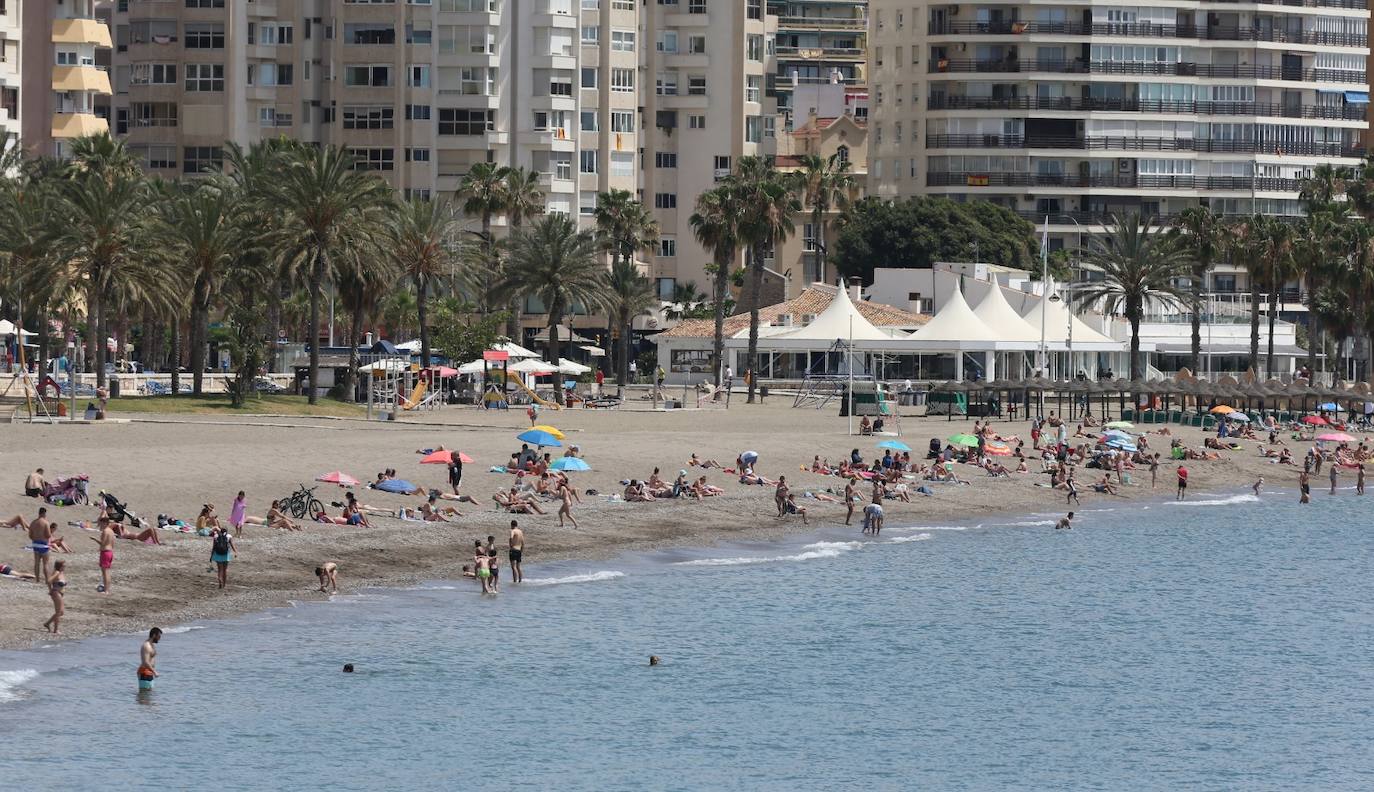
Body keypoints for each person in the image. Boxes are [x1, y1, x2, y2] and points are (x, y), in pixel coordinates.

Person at [93, 516, 117, 593]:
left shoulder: (105, 531)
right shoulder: (111, 531)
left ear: (104, 523)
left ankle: (106, 590)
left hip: (105, 553)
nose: (100, 525)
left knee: (105, 572)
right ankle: (107, 589)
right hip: (110, 552)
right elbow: (113, 544)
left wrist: (94, 539)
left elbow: (103, 543)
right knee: (107, 571)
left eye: (101, 523)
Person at [43, 560, 66, 633]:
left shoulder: (62, 573)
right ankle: (56, 630)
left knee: (61, 612)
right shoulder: (57, 572)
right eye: (64, 565)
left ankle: (47, 623)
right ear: (60, 566)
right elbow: (49, 581)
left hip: (60, 593)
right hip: (56, 593)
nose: (65, 566)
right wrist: (50, 590)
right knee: (59, 612)